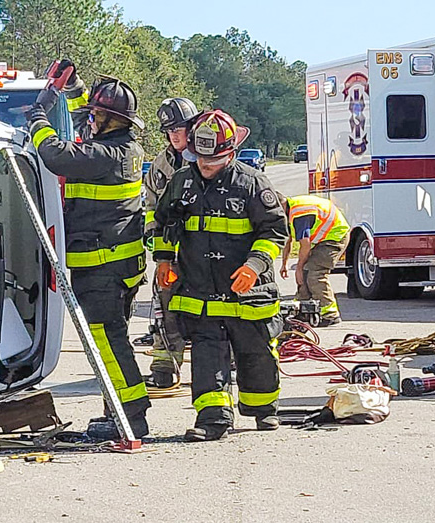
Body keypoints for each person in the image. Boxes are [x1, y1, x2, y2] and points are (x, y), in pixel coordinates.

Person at [30, 62, 150, 439]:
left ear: (113, 120)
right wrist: (74, 88)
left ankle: (130, 417)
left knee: (108, 344)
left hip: (103, 267)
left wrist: (38, 115)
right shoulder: (123, 146)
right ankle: (118, 412)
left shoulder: (105, 155)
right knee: (113, 341)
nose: (92, 118)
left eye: (98, 113)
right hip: (118, 264)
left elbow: (55, 154)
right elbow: (85, 119)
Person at [153, 110, 288, 441]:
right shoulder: (181, 182)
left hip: (247, 293)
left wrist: (254, 266)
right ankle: (213, 419)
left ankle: (263, 409)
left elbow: (274, 232)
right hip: (199, 290)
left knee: (256, 354)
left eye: (214, 160)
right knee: (206, 354)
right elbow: (163, 223)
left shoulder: (252, 184)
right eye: (201, 159)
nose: (206, 165)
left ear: (231, 153)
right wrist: (164, 260)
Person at [143, 98, 200, 389]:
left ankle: (222, 366)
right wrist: (154, 239)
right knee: (165, 309)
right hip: (170, 251)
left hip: (205, 252)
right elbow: (151, 205)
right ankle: (164, 367)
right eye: (169, 130)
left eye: (178, 128)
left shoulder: (208, 155)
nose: (174, 135)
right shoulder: (161, 164)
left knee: (212, 312)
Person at [278, 193, 349, 326]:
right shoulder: (288, 212)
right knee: (306, 270)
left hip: (335, 237)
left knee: (315, 273)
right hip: (323, 239)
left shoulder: (299, 214)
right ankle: (304, 309)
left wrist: (298, 268)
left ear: (280, 205)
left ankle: (330, 314)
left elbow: (305, 244)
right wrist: (284, 264)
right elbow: (287, 240)